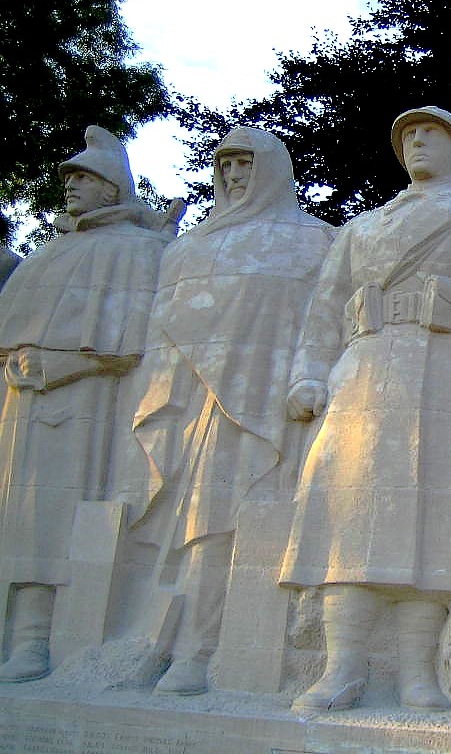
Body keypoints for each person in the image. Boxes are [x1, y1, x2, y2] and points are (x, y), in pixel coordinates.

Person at [279, 106, 451, 713]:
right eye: (408, 135)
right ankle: (341, 668)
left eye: (431, 133)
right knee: (350, 515)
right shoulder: (363, 227)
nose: (417, 141)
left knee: (441, 520)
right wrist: (308, 374)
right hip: (365, 367)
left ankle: (420, 673)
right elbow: (325, 307)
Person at [125, 127, 335, 695]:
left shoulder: (316, 241)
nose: (235, 176)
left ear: (273, 170)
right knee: (205, 529)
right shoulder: (190, 248)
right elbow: (163, 337)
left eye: (246, 164)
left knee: (266, 525)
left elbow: (328, 321)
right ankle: (181, 648)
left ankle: (231, 653)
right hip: (202, 410)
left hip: (284, 406)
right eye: (225, 166)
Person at [0, 126, 168, 682]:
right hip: (17, 403)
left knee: (52, 522)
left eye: (84, 177)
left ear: (112, 190)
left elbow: (132, 341)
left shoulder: (138, 249)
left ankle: (34, 641)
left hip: (84, 406)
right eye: (68, 176)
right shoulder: (51, 250)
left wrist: (62, 368)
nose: (71, 185)